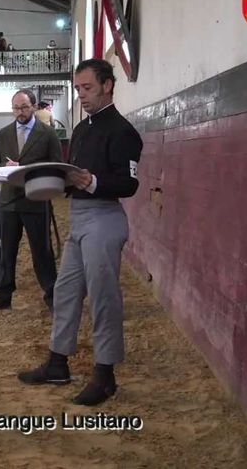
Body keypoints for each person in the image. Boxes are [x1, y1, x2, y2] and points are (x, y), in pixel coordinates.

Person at [18, 59, 143, 406]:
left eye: (87, 88)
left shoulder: (123, 132)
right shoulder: (83, 129)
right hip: (80, 216)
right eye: (77, 89)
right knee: (66, 290)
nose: (81, 95)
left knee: (104, 298)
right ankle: (58, 362)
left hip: (104, 219)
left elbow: (129, 183)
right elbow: (72, 175)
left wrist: (91, 181)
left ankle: (105, 375)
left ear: (107, 85)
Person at [0, 90, 63, 313]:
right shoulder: (4, 134)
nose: (19, 112)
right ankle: (3, 296)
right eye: (16, 108)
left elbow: (57, 165)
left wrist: (35, 172)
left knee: (42, 252)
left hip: (36, 201)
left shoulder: (47, 134)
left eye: (24, 107)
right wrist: (3, 169)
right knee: (6, 252)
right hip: (9, 201)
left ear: (34, 106)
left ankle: (52, 296)